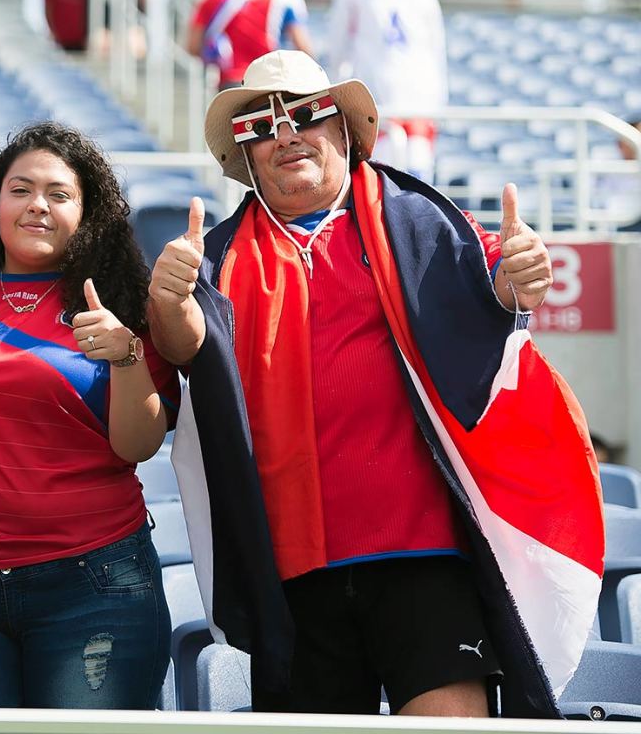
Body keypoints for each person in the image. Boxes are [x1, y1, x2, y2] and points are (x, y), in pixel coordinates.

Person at [149, 50, 603, 717]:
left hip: (420, 550)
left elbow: (495, 291)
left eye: (304, 114)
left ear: (344, 130)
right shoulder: (211, 260)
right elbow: (180, 352)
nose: (284, 135)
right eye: (259, 125)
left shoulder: (424, 221)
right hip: (291, 570)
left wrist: (511, 286)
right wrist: (169, 307)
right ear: (243, 156)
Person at [0, 122, 179, 708]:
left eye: (59, 194)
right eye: (20, 190)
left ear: (85, 212)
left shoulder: (123, 309)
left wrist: (125, 355)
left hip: (97, 585)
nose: (37, 205)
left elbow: (138, 446)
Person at [328, 0, 446, 182]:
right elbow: (437, 50)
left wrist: (336, 98)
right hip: (420, 98)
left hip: (375, 94)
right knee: (420, 182)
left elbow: (338, 51)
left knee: (380, 183)